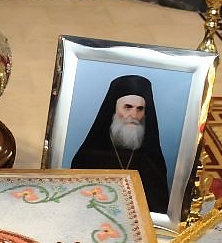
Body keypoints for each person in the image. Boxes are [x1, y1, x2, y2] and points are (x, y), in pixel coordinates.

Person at [71, 74, 170, 213]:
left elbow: (159, 207)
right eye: (127, 107)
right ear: (114, 109)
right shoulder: (89, 155)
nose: (134, 115)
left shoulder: (152, 159)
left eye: (140, 109)